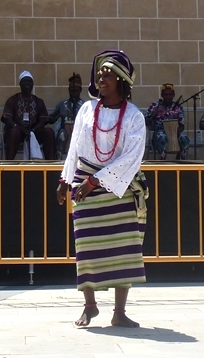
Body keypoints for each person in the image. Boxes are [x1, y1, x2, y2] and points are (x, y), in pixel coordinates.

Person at [57, 50, 148, 328]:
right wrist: (65, 179)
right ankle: (90, 306)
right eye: (99, 75)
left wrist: (96, 180)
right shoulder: (87, 109)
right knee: (86, 247)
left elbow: (132, 156)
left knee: (123, 248)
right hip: (83, 183)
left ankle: (119, 312)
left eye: (107, 75)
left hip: (117, 186)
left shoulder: (134, 116)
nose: (101, 79)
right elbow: (75, 147)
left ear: (120, 80)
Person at [2, 70, 55, 160]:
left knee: (49, 132)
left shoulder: (39, 101)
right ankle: (8, 165)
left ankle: (51, 165)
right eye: (25, 81)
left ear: (33, 84)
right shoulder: (12, 100)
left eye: (29, 81)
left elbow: (43, 120)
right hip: (17, 131)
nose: (27, 83)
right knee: (14, 132)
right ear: (20, 84)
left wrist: (33, 130)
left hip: (34, 131)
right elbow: (6, 118)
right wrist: (19, 128)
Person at [146, 83, 189, 160]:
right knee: (162, 137)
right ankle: (162, 160)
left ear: (173, 95)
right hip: (159, 133)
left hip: (174, 133)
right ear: (162, 95)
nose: (168, 97)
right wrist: (152, 115)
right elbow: (146, 122)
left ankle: (181, 160)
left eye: (170, 94)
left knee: (184, 138)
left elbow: (182, 125)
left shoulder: (178, 107)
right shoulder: (155, 105)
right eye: (166, 94)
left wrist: (174, 132)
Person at [50, 73, 84, 158]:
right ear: (68, 90)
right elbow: (53, 117)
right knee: (62, 134)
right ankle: (58, 160)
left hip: (80, 132)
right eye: (72, 90)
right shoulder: (62, 105)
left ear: (80, 90)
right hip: (65, 131)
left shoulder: (84, 106)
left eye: (76, 91)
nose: (73, 93)